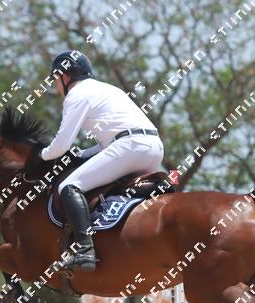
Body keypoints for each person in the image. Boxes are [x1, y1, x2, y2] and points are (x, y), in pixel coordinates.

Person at [40, 50, 164, 274]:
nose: (56, 86)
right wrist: (83, 154)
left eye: (56, 79)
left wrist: (41, 154)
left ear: (65, 77)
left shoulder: (76, 95)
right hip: (153, 147)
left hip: (130, 147)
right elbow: (109, 142)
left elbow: (61, 146)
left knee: (69, 186)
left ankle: (85, 250)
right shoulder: (107, 89)